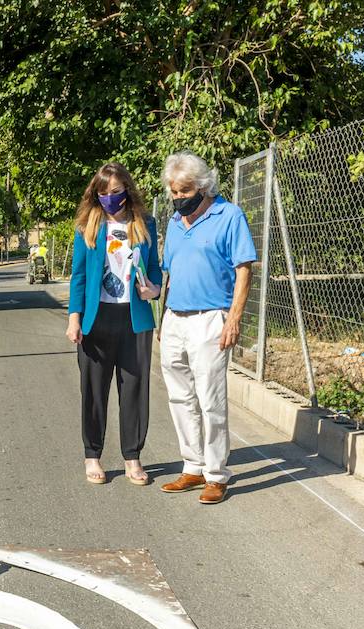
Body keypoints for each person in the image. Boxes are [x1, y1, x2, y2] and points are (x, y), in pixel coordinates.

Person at [157, 152, 257, 505]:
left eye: (184, 191)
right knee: (179, 397)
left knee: (210, 399)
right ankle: (192, 466)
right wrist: (162, 316)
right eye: (173, 191)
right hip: (174, 318)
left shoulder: (229, 216)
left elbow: (244, 269)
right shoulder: (173, 222)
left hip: (211, 318)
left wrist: (234, 318)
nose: (178, 198)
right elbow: (170, 271)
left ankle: (216, 475)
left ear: (202, 186)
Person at [66, 163, 162, 485]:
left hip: (134, 320)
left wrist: (154, 289)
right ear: (96, 194)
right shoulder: (87, 227)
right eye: (103, 193)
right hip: (96, 320)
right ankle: (92, 456)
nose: (110, 198)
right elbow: (78, 276)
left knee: (134, 390)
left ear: (127, 191)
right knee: (93, 392)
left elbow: (155, 270)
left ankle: (133, 458)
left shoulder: (144, 223)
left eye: (116, 192)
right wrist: (74, 318)